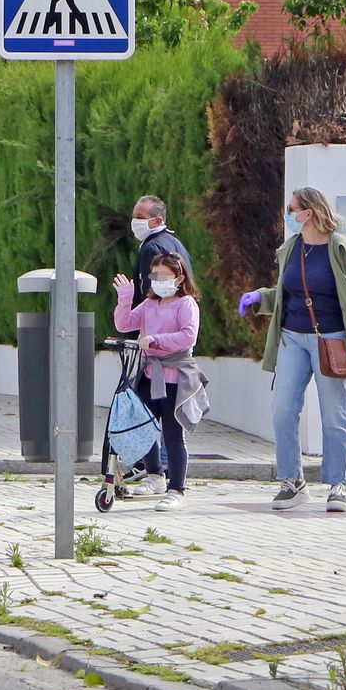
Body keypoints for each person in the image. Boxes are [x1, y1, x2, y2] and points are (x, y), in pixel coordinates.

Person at [238, 187, 346, 513]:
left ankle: (338, 485)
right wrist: (260, 298)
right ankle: (292, 483)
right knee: (282, 410)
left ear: (310, 212)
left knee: (334, 414)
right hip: (292, 338)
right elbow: (288, 292)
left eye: (292, 209)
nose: (287, 215)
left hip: (330, 340)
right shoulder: (291, 248)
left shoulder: (341, 250)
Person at [112, 253, 210, 511]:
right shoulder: (148, 305)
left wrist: (156, 340)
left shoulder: (186, 304)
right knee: (144, 427)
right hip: (148, 374)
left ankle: (177, 488)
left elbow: (188, 336)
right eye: (154, 276)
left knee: (172, 435)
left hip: (175, 377)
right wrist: (125, 297)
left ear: (179, 278)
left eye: (164, 277)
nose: (158, 282)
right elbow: (124, 324)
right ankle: (154, 475)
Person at [122, 194, 193, 495]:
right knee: (152, 415)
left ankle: (163, 476)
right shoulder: (175, 244)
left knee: (162, 423)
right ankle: (155, 472)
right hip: (158, 353)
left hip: (161, 355)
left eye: (141, 215)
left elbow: (147, 299)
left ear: (157, 219)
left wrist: (147, 335)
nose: (135, 220)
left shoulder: (153, 247)